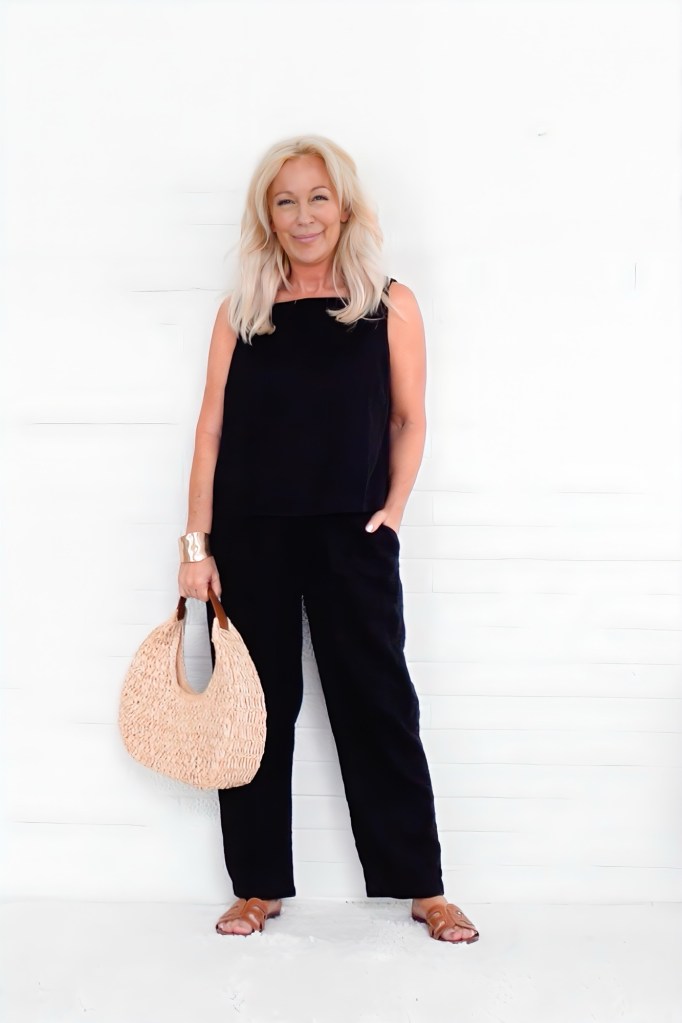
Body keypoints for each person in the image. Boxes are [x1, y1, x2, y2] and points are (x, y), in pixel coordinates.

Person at [177, 134, 480, 945]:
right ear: (266, 217)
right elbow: (210, 431)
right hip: (252, 535)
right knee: (257, 714)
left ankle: (422, 883)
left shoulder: (389, 302)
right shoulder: (242, 310)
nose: (303, 214)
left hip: (353, 532)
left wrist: (395, 508)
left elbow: (410, 418)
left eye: (317, 197)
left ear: (343, 205)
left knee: (378, 704)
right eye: (285, 200)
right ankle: (257, 886)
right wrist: (197, 547)